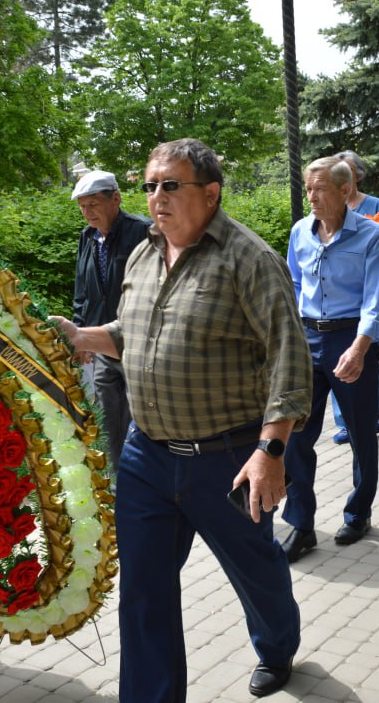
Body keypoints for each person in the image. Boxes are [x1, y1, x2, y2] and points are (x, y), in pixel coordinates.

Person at [51, 139, 312, 701]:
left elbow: (289, 361)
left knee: (255, 569)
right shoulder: (142, 255)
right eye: (150, 186)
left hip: (228, 459)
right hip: (146, 456)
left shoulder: (250, 260)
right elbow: (130, 334)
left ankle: (277, 646)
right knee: (143, 590)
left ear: (210, 193)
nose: (156, 197)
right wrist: (82, 337)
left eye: (171, 185)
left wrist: (270, 452)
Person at [281, 157, 379, 564]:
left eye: (320, 188)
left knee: (361, 434)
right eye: (308, 188)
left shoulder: (371, 235)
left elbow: (375, 299)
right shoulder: (300, 232)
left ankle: (358, 512)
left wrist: (359, 349)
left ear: (345, 191)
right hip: (308, 338)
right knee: (295, 436)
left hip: (351, 337)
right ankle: (301, 524)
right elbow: (293, 284)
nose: (311, 196)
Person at [70, 169, 151, 468]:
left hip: (137, 345)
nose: (87, 212)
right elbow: (82, 291)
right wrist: (80, 335)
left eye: (93, 204)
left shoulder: (143, 232)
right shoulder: (88, 237)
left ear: (115, 198)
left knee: (140, 419)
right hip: (101, 345)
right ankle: (119, 482)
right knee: (108, 420)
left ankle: (146, 477)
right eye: (82, 206)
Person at [329, 149, 379, 443]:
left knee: (369, 355)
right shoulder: (327, 209)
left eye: (346, 170)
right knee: (336, 357)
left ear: (356, 176)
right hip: (338, 298)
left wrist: (365, 262)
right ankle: (345, 423)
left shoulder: (375, 206)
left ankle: (376, 410)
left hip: (371, 293)